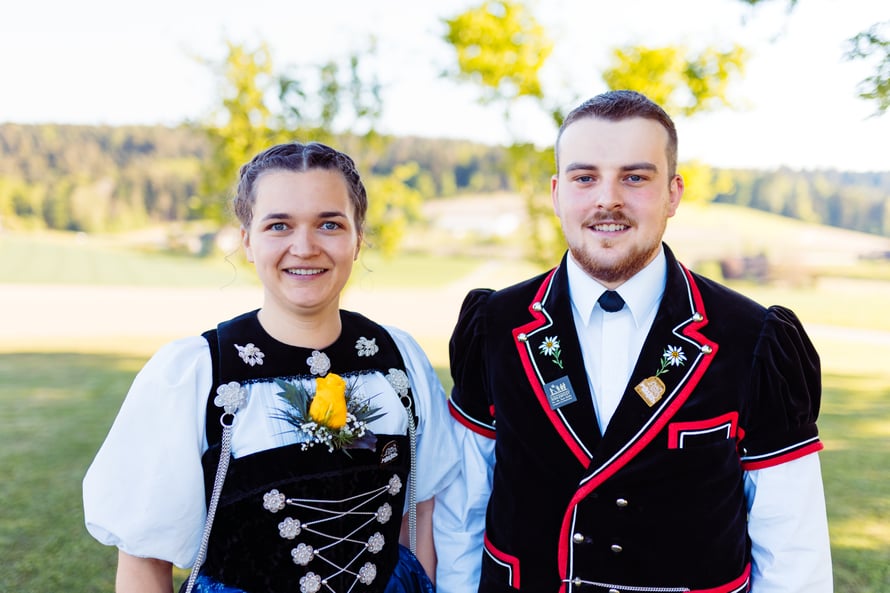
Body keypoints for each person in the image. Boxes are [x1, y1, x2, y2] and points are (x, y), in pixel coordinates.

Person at [435, 90, 832, 593]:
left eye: (635, 177)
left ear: (673, 194)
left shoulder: (754, 339)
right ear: (557, 193)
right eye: (585, 178)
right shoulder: (495, 325)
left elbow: (792, 545)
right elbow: (462, 514)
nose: (608, 199)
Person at [83, 141, 459, 593]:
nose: (304, 247)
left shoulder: (398, 359)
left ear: (358, 238)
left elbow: (421, 515)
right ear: (247, 240)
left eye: (330, 224)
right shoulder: (195, 374)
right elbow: (145, 562)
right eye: (279, 225)